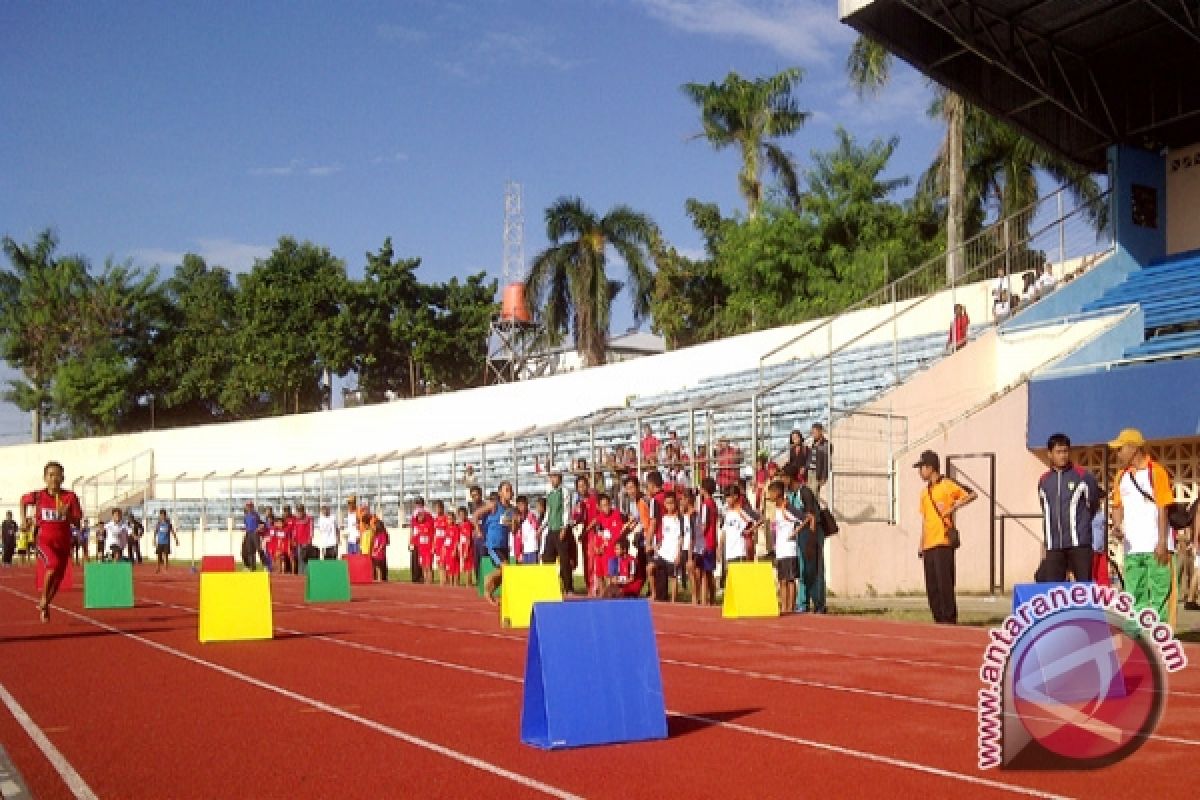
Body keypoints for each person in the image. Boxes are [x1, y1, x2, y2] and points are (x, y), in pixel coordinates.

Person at [1109, 428, 1176, 626]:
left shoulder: (1156, 472)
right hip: (1132, 547)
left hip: (1156, 544)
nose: (1118, 453)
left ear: (1133, 448)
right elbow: (1117, 505)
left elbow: (1163, 507)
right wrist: (1117, 525)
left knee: (1159, 591)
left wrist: (1162, 541)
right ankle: (1137, 632)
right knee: (1133, 591)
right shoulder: (1121, 476)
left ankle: (1158, 632)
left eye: (1120, 448)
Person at [915, 449, 977, 625]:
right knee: (932, 586)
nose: (920, 472)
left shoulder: (947, 484)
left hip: (943, 541)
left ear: (930, 467)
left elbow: (971, 494)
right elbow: (925, 520)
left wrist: (954, 506)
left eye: (921, 468)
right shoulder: (924, 493)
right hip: (929, 544)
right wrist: (921, 543)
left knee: (945, 584)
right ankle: (938, 618)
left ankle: (949, 619)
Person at [22, 462, 84, 622]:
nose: (54, 478)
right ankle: (43, 598)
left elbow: (77, 523)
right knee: (53, 564)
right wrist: (23, 520)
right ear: (45, 478)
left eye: (57, 475)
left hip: (63, 543)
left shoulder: (70, 497)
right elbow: (22, 500)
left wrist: (67, 514)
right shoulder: (38, 496)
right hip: (44, 541)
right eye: (50, 475)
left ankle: (45, 605)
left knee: (59, 578)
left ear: (63, 477)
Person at [1035, 433, 1100, 582]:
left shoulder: (1083, 476)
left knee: (1084, 589)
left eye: (1065, 451)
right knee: (1053, 591)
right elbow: (1045, 509)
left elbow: (1093, 504)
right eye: (1058, 452)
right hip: (1054, 546)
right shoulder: (1044, 481)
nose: (1063, 455)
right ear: (1050, 454)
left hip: (1079, 545)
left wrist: (1081, 526)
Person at [767, 480, 810, 614]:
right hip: (780, 550)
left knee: (790, 580)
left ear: (778, 493)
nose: (769, 495)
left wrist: (795, 533)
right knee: (782, 580)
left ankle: (791, 606)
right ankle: (784, 606)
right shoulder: (778, 509)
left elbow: (805, 518)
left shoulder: (788, 507)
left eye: (771, 492)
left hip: (789, 549)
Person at [475, 481, 516, 604]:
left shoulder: (510, 510)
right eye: (507, 490)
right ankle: (489, 577)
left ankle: (489, 593)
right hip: (493, 544)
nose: (510, 492)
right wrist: (478, 530)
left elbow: (511, 530)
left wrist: (515, 523)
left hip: (503, 545)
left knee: (505, 574)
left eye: (511, 490)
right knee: (505, 568)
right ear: (500, 493)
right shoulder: (494, 505)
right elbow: (476, 515)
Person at [692, 478, 719, 605]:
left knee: (703, 573)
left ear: (704, 489)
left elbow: (704, 525)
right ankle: (711, 599)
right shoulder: (713, 504)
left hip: (706, 543)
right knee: (708, 573)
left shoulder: (706, 505)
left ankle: (704, 600)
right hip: (712, 541)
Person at [591, 494, 623, 596]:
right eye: (603, 505)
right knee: (600, 575)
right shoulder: (598, 518)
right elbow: (597, 534)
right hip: (600, 552)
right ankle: (602, 595)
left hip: (610, 551)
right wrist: (596, 547)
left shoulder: (616, 515)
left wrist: (604, 546)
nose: (606, 507)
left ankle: (610, 597)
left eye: (607, 504)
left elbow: (616, 534)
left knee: (609, 576)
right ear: (599, 507)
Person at [542, 468, 568, 565]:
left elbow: (566, 511)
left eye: (555, 476)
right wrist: (542, 527)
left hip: (560, 529)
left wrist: (564, 528)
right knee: (547, 557)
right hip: (551, 529)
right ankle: (549, 579)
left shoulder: (564, 491)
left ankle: (567, 580)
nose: (552, 479)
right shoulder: (550, 492)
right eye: (551, 477)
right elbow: (549, 511)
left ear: (560, 478)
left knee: (564, 558)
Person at [410, 498, 434, 584]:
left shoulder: (428, 515)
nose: (417, 505)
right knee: (418, 562)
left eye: (419, 504)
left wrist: (432, 545)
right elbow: (412, 528)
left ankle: (428, 580)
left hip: (427, 545)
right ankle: (417, 578)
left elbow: (432, 532)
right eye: (416, 504)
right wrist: (411, 541)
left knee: (428, 564)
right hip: (418, 542)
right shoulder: (414, 515)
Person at [807, 424, 832, 500]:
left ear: (820, 432)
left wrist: (824, 477)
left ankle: (815, 511)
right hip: (809, 472)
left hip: (817, 473)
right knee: (808, 493)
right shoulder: (813, 443)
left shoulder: (826, 444)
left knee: (813, 495)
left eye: (814, 432)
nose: (813, 434)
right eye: (812, 432)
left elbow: (826, 462)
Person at [515, 495, 541, 566]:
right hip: (524, 551)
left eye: (523, 504)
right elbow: (517, 537)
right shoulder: (517, 519)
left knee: (533, 573)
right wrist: (518, 553)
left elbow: (538, 532)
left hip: (533, 549)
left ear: (527, 505)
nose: (521, 507)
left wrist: (539, 550)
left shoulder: (531, 517)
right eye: (519, 505)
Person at [432, 500, 453, 582]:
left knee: (444, 563)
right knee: (439, 564)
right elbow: (435, 533)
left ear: (442, 508)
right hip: (437, 545)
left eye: (438, 508)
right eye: (436, 508)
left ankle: (446, 581)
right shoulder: (435, 519)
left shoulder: (446, 518)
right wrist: (433, 545)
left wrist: (447, 544)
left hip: (445, 545)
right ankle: (442, 582)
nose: (437, 510)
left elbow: (449, 531)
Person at [292, 504, 314, 575]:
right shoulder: (296, 519)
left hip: (306, 543)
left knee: (306, 559)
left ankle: (306, 574)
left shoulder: (309, 519)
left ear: (303, 511)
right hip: (298, 543)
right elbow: (294, 531)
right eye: (298, 511)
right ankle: (300, 574)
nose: (299, 512)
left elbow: (311, 530)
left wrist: (309, 541)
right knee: (299, 559)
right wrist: (294, 540)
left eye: (301, 511)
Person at [242, 502, 264, 570]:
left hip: (255, 533)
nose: (249, 507)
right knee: (250, 551)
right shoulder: (246, 515)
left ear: (252, 507)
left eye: (250, 506)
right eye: (248, 506)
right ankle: (252, 567)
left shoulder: (255, 515)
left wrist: (257, 529)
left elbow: (261, 523)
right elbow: (246, 525)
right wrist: (246, 531)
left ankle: (265, 564)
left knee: (259, 549)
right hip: (248, 534)